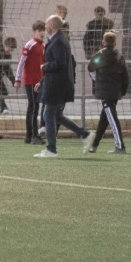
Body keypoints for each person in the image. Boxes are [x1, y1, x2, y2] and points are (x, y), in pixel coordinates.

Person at [34, 15, 91, 159]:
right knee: (57, 115)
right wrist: (42, 80)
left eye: (46, 24)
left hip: (57, 85)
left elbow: (60, 63)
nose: (45, 27)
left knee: (48, 115)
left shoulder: (59, 40)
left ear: (52, 25)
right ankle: (85, 134)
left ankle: (51, 149)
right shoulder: (57, 39)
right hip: (55, 83)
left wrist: (44, 66)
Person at [87, 32, 129, 153]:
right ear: (115, 43)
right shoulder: (119, 56)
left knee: (112, 118)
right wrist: (123, 90)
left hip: (104, 92)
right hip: (115, 91)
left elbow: (90, 68)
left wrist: (97, 81)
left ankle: (120, 146)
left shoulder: (99, 55)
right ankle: (94, 145)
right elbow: (125, 76)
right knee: (104, 119)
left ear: (103, 42)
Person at [15, 21, 46, 145]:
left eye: (43, 30)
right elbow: (21, 63)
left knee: (35, 107)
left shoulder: (43, 45)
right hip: (30, 80)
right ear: (34, 32)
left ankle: (29, 135)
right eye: (39, 31)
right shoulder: (29, 45)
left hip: (39, 81)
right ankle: (34, 135)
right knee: (33, 106)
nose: (42, 33)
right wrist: (17, 79)